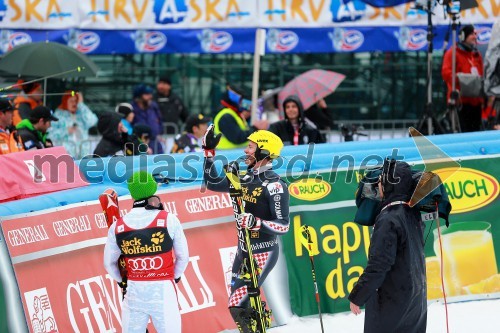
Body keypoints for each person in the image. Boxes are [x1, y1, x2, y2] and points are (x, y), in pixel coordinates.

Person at [202, 126, 289, 333]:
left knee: (236, 304)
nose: (245, 151)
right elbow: (213, 184)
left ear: (264, 152)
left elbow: (283, 225)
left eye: (250, 147)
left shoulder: (275, 185)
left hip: (263, 249)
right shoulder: (246, 177)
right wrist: (208, 154)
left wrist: (255, 222)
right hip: (243, 249)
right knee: (241, 306)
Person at [104, 171, 189, 333]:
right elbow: (183, 257)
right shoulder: (168, 219)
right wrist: (175, 276)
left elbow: (109, 263)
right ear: (152, 189)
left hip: (134, 291)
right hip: (163, 290)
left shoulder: (118, 226)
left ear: (132, 194)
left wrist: (122, 281)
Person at [348, 159, 427, 333]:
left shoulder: (388, 219)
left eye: (381, 181)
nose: (378, 185)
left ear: (390, 185)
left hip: (391, 303)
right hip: (415, 301)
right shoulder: (412, 213)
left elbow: (379, 265)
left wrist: (358, 296)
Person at [442, 24, 484, 132]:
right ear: (463, 36)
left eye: (475, 34)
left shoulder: (476, 55)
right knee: (462, 131)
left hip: (476, 101)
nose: (474, 37)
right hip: (460, 101)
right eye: (471, 34)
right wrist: (462, 80)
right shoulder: (453, 53)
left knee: (476, 132)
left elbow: (482, 74)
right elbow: (446, 73)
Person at [213, 85, 268, 150]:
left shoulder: (233, 115)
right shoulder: (226, 116)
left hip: (234, 155)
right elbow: (237, 138)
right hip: (229, 155)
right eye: (241, 100)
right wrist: (255, 128)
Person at [50, 91, 98, 157]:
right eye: (71, 101)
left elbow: (92, 121)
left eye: (76, 101)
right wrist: (66, 131)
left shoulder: (82, 114)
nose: (74, 103)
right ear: (65, 102)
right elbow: (50, 134)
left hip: (83, 155)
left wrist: (81, 104)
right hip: (65, 156)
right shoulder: (58, 116)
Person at [131, 84, 164, 154]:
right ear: (139, 97)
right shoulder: (132, 110)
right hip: (140, 143)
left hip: (155, 142)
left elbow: (160, 121)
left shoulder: (153, 107)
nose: (150, 96)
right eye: (146, 94)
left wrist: (159, 133)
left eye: (150, 94)